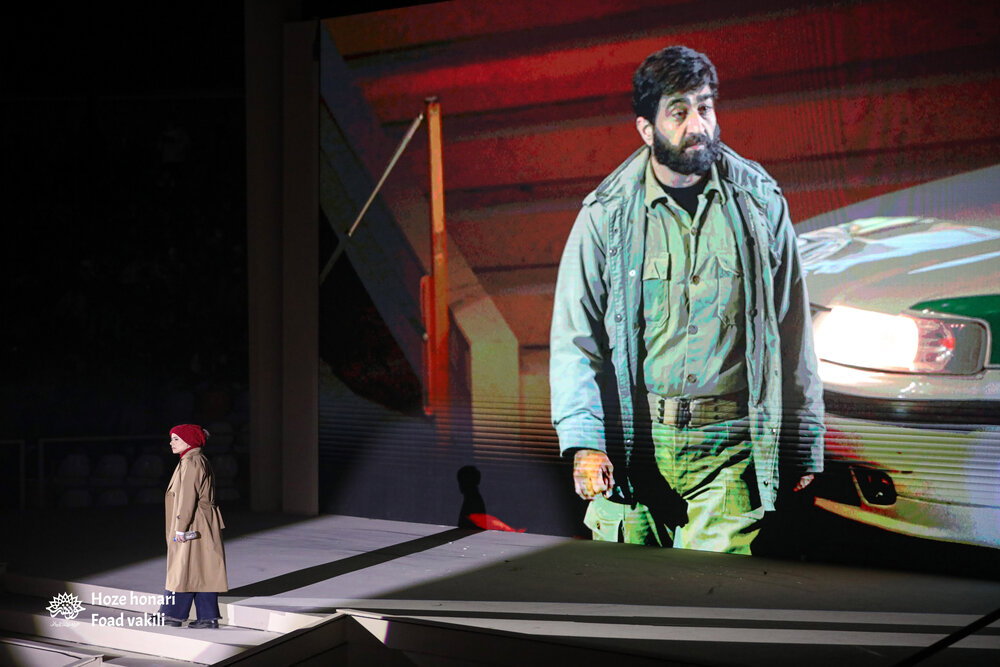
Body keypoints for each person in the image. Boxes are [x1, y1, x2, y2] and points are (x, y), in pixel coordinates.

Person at [549, 45, 824, 554]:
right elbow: (575, 339)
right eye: (679, 112)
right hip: (636, 448)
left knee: (709, 595)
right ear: (646, 128)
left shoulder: (760, 204)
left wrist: (805, 440)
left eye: (705, 107)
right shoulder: (606, 215)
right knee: (628, 595)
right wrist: (585, 442)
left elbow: (792, 331)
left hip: (730, 450)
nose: (698, 125)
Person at [156, 424, 228, 628]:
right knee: (200, 569)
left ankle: (172, 615)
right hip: (199, 521)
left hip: (194, 522)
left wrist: (180, 526)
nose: (171, 442)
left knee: (184, 567)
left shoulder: (192, 462)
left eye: (176, 439)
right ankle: (206, 617)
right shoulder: (193, 459)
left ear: (189, 441)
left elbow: (187, 496)